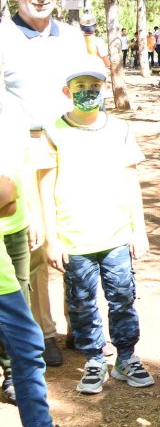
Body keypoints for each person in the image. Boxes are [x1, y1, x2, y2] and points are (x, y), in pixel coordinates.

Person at [38, 58, 153, 395]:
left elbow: (131, 179)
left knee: (122, 298)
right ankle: (93, 359)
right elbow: (44, 186)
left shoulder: (119, 129)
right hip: (75, 239)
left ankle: (126, 358)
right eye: (79, 88)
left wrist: (139, 228)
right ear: (67, 91)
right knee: (82, 302)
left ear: (104, 88)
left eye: (93, 87)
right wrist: (51, 238)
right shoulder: (53, 131)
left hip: (116, 234)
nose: (87, 93)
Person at [0, 0, 83, 370]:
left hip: (70, 146)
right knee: (34, 246)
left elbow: (84, 90)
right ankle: (43, 331)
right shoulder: (1, 38)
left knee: (71, 231)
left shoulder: (70, 37)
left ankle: (81, 324)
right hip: (24, 152)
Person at [0, 72, 54, 426]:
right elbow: (4, 193)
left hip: (13, 234)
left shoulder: (12, 107)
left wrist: (32, 212)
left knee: (26, 344)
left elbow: (17, 179)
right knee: (27, 343)